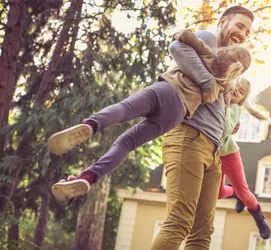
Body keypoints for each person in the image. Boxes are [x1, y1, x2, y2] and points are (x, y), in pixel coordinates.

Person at [49, 28, 251, 201]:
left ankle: (92, 125)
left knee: (125, 109)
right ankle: (89, 177)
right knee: (127, 143)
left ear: (222, 51)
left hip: (168, 91)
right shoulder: (221, 86)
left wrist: (179, 34)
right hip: (176, 115)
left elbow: (184, 36)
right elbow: (216, 106)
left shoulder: (208, 53)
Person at [150, 6, 255, 250]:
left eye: (248, 32)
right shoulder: (208, 39)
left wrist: (229, 122)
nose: (243, 33)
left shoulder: (230, 61)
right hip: (189, 137)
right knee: (179, 222)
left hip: (213, 150)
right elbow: (177, 47)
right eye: (239, 25)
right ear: (223, 22)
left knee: (202, 233)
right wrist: (208, 82)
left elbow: (216, 103)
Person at [218, 77, 271, 240]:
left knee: (244, 192)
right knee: (218, 194)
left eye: (241, 92)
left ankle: (259, 216)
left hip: (229, 154)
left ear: (241, 100)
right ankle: (232, 191)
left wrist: (227, 105)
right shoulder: (218, 99)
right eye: (235, 86)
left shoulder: (234, 108)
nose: (236, 90)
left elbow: (225, 131)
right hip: (215, 157)